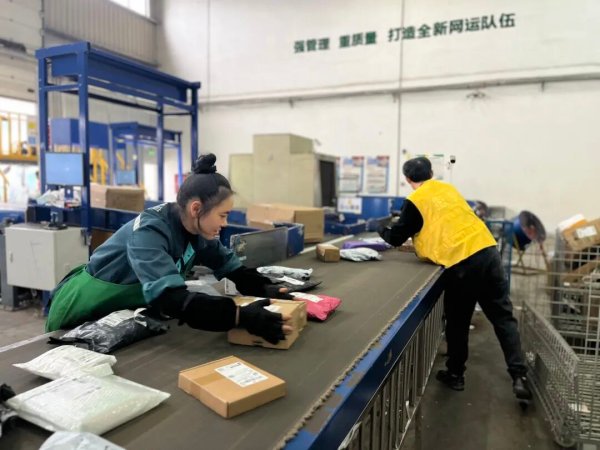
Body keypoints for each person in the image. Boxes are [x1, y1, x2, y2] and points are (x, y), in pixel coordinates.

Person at [46, 153, 292, 345]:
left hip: (121, 313)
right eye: (222, 215)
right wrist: (239, 316)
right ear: (196, 209)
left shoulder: (196, 230)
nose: (225, 223)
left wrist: (264, 288)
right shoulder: (149, 232)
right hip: (83, 309)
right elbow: (171, 299)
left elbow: (229, 265)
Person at [378, 156, 531, 401]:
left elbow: (396, 237)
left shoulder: (415, 200)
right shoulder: (448, 189)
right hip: (487, 251)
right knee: (503, 317)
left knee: (458, 322)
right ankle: (519, 376)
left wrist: (381, 228)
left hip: (462, 263)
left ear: (407, 179)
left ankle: (456, 374)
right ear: (431, 173)